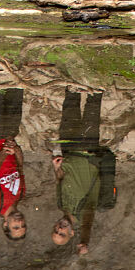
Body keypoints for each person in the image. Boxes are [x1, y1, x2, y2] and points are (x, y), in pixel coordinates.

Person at [52, 89, 103, 256]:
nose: (60, 228)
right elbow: (87, 225)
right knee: (93, 103)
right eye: (63, 234)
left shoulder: (61, 205)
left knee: (70, 103)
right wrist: (84, 241)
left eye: (56, 230)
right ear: (71, 233)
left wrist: (57, 168)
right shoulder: (82, 215)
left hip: (68, 152)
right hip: (87, 153)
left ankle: (72, 75)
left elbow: (60, 181)